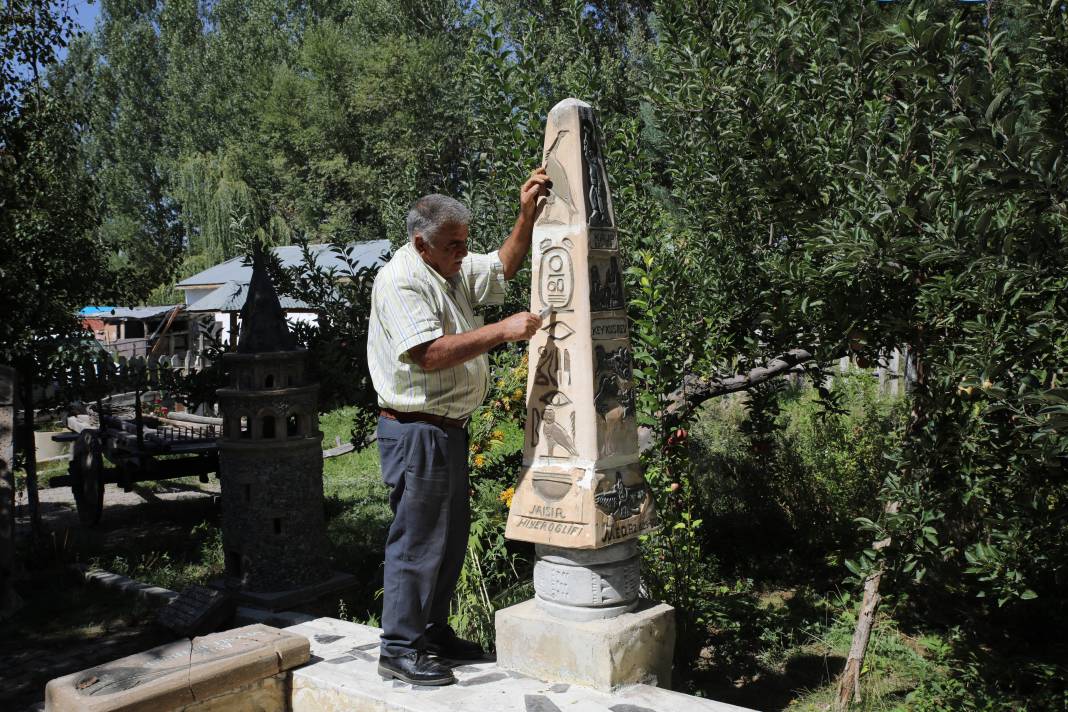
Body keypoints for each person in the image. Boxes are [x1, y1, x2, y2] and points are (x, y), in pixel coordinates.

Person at [367, 169, 550, 686]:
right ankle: (398, 649)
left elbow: (502, 267)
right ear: (421, 244)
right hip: (415, 430)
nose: (462, 254)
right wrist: (502, 330)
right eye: (453, 246)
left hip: (446, 428)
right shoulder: (401, 278)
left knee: (448, 539)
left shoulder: (448, 269)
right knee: (417, 539)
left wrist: (526, 215)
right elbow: (427, 354)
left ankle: (432, 632)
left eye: (464, 244)